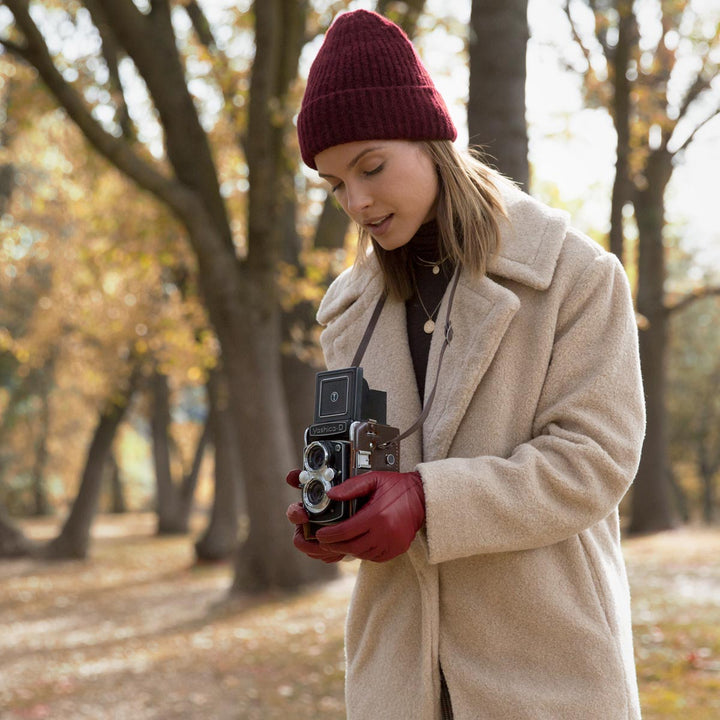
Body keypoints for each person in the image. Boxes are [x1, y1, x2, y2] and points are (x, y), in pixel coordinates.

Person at [285, 9, 645, 720]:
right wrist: (342, 513)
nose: (357, 201)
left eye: (372, 166)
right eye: (334, 184)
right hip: (401, 684)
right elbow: (374, 466)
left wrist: (425, 501)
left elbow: (594, 462)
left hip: (549, 672)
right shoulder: (347, 313)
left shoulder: (574, 277)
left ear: (432, 139)